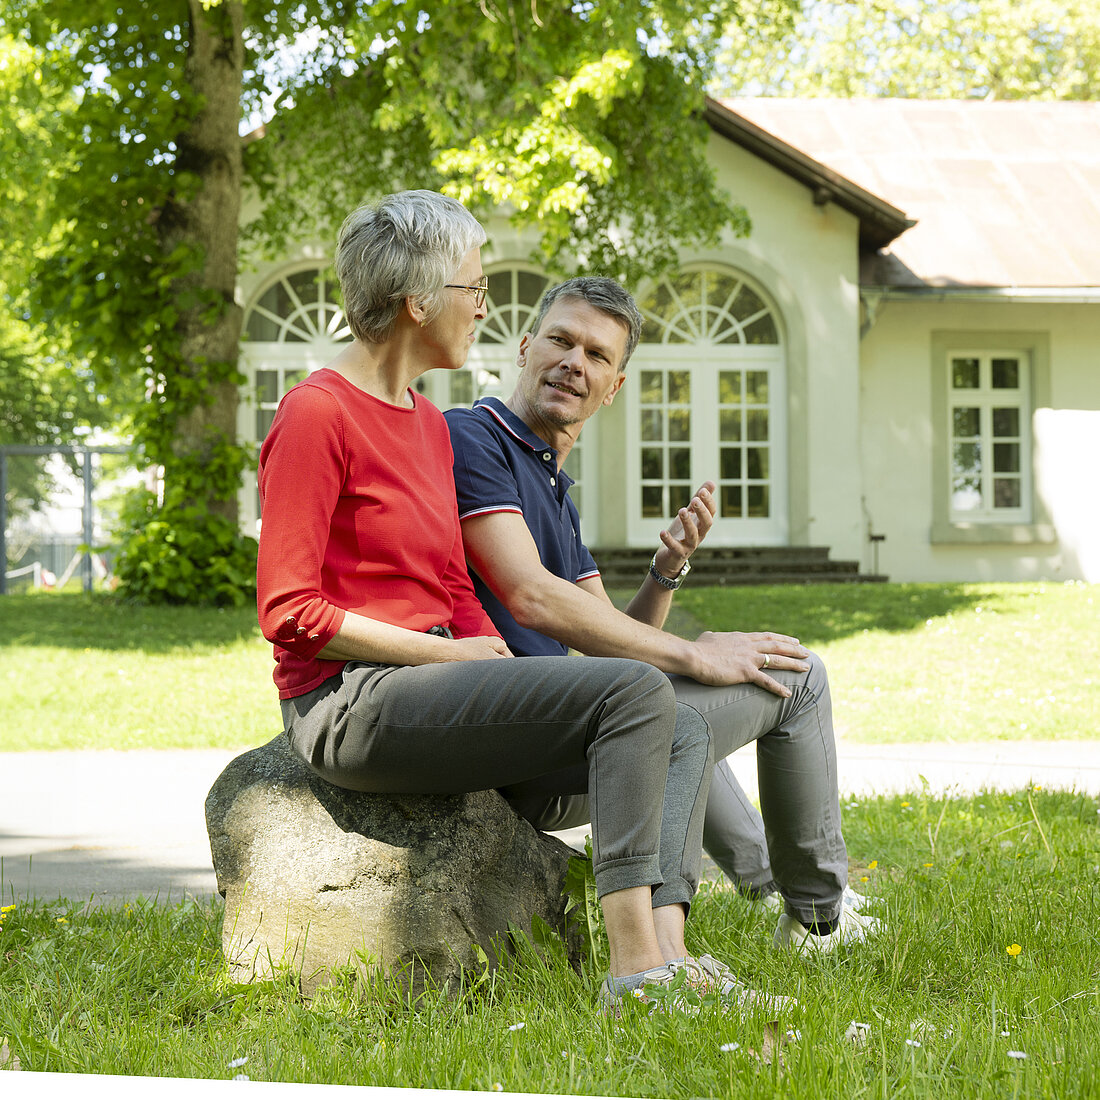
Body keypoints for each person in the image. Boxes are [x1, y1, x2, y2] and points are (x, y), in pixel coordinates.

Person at [256, 191, 770, 1016]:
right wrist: (451, 653)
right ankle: (635, 976)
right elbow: (289, 612)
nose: (484, 308)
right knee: (636, 688)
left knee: (679, 722)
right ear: (418, 301)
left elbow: (455, 586)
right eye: (473, 288)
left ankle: (672, 954)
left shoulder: (427, 425)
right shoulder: (317, 414)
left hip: (437, 688)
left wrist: (479, 647)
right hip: (347, 705)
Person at [445, 276, 880, 951]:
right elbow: (531, 595)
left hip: (562, 732)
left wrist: (667, 568)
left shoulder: (553, 487)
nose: (573, 362)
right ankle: (817, 917)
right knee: (792, 682)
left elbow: (614, 641)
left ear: (612, 387)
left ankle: (777, 892)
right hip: (514, 737)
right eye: (561, 341)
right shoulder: (474, 439)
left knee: (725, 683)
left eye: (596, 355)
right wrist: (695, 655)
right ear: (525, 347)